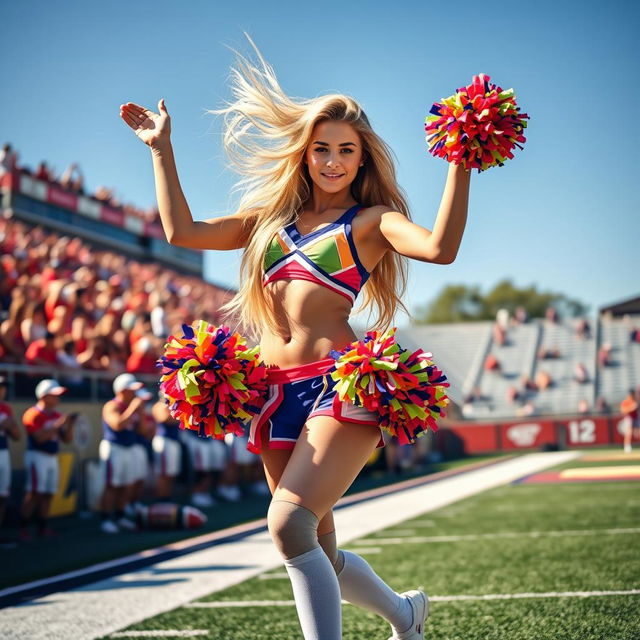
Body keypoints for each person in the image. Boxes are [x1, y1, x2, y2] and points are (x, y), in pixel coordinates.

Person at [120, 37, 470, 640]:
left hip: (342, 386)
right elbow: (181, 231)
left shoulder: (370, 222)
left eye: (346, 151)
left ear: (363, 160)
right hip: (272, 392)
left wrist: (459, 162)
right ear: (304, 155)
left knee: (287, 527)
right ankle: (404, 614)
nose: (332, 161)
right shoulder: (268, 223)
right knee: (317, 548)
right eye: (322, 149)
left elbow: (439, 248)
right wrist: (162, 151)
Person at [19, 379, 76, 540]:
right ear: (43, 396)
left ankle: (42, 526)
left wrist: (69, 425)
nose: (57, 399)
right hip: (37, 456)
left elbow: (67, 439)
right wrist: (59, 425)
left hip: (52, 457)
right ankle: (23, 527)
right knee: (34, 492)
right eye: (54, 395)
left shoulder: (57, 415)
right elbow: (39, 438)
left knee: (49, 493)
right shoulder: (33, 414)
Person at [98, 373, 146, 533]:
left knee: (126, 485)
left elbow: (142, 431)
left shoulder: (132, 407)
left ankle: (120, 516)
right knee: (112, 485)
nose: (134, 394)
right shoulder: (111, 406)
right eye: (131, 390)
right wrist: (133, 409)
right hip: (115, 448)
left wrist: (141, 413)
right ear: (122, 390)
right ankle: (105, 518)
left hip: (129, 448)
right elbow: (117, 425)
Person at [0, 375, 21, 548]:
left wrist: (11, 426)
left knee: (2, 495)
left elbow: (17, 436)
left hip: (4, 452)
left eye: (4, 387)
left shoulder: (6, 408)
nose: (2, 390)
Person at [620, 389, 639, 454]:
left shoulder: (636, 401)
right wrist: (631, 408)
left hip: (636, 418)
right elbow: (623, 411)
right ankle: (627, 446)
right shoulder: (626, 402)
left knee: (638, 433)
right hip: (629, 418)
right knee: (629, 433)